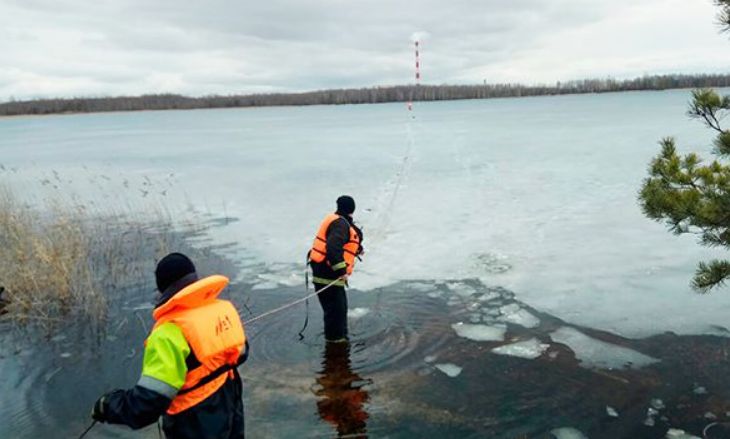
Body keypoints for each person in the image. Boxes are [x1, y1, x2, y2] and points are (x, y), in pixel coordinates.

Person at [91, 253, 249, 439]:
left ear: (163, 289)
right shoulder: (222, 309)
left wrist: (107, 406)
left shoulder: (168, 334)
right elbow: (242, 353)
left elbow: (146, 405)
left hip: (194, 422)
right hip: (229, 406)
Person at [308, 195, 364, 342]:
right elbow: (333, 249)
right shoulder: (340, 224)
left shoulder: (339, 221)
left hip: (323, 275)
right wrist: (342, 271)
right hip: (328, 277)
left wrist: (358, 249)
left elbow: (344, 242)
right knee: (336, 314)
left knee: (336, 312)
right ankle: (337, 348)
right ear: (352, 209)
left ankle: (337, 346)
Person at [314, 341, 370, 438]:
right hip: (343, 371)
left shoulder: (328, 414)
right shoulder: (360, 406)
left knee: (335, 352)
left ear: (340, 429)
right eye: (357, 426)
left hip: (332, 371)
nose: (349, 423)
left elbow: (321, 396)